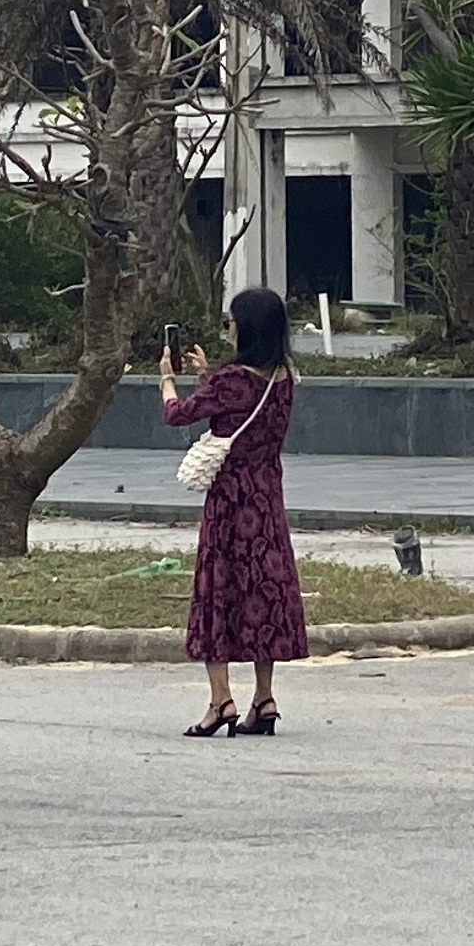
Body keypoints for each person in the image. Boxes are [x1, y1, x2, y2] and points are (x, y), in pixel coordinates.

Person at [158, 287, 306, 736]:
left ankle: (220, 699)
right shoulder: (283, 377)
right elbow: (241, 420)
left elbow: (178, 415)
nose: (229, 327)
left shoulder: (232, 382)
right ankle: (264, 697)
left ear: (247, 328)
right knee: (262, 593)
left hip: (229, 504)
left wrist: (168, 379)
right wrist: (208, 379)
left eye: (232, 320)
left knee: (217, 594)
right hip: (266, 500)